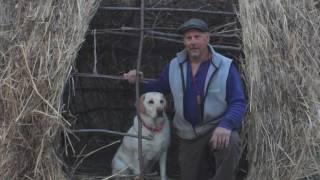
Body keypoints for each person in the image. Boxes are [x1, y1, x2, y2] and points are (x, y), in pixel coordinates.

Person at [124, 18, 246, 180]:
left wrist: (226, 124)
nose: (193, 42)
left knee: (230, 141)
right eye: (188, 38)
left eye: (197, 37)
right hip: (188, 131)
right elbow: (159, 87)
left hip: (215, 125)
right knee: (190, 175)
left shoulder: (225, 66)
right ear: (184, 41)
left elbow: (238, 101)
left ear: (207, 38)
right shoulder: (175, 65)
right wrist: (138, 81)